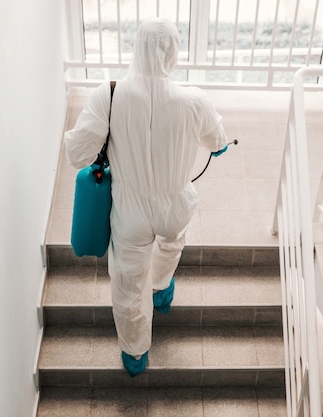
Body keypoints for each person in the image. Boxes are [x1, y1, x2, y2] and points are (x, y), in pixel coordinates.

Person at [63, 17, 228, 377]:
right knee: (170, 243)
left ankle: (135, 353)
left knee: (127, 284)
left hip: (130, 215)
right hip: (175, 207)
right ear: (174, 53)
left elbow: (77, 153)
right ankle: (161, 287)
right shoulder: (194, 99)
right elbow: (218, 143)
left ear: (135, 49)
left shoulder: (108, 94)